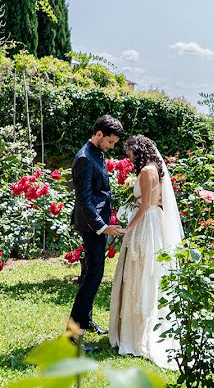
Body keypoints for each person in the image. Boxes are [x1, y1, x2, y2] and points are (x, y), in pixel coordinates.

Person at [109, 134, 183, 368]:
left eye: (129, 151)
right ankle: (143, 324)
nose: (127, 156)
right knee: (150, 271)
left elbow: (144, 205)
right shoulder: (156, 169)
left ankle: (139, 331)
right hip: (155, 222)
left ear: (137, 150)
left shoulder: (144, 172)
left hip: (145, 223)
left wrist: (128, 228)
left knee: (140, 272)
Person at [69, 115, 126, 352]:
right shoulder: (84, 158)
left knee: (89, 274)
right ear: (99, 134)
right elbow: (84, 199)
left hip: (98, 224)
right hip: (92, 226)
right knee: (93, 278)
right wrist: (102, 227)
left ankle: (87, 321)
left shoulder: (97, 153)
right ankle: (72, 337)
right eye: (110, 142)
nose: (111, 147)